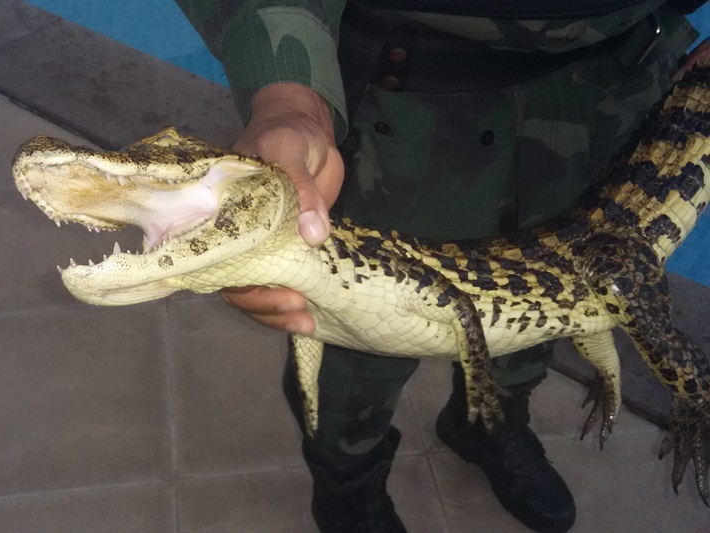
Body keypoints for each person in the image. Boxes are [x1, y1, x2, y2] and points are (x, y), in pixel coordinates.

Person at [175, 1, 705, 531]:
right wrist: (290, 95)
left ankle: (490, 425)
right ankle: (348, 483)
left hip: (613, 83)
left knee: (548, 311)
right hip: (415, 100)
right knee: (356, 351)